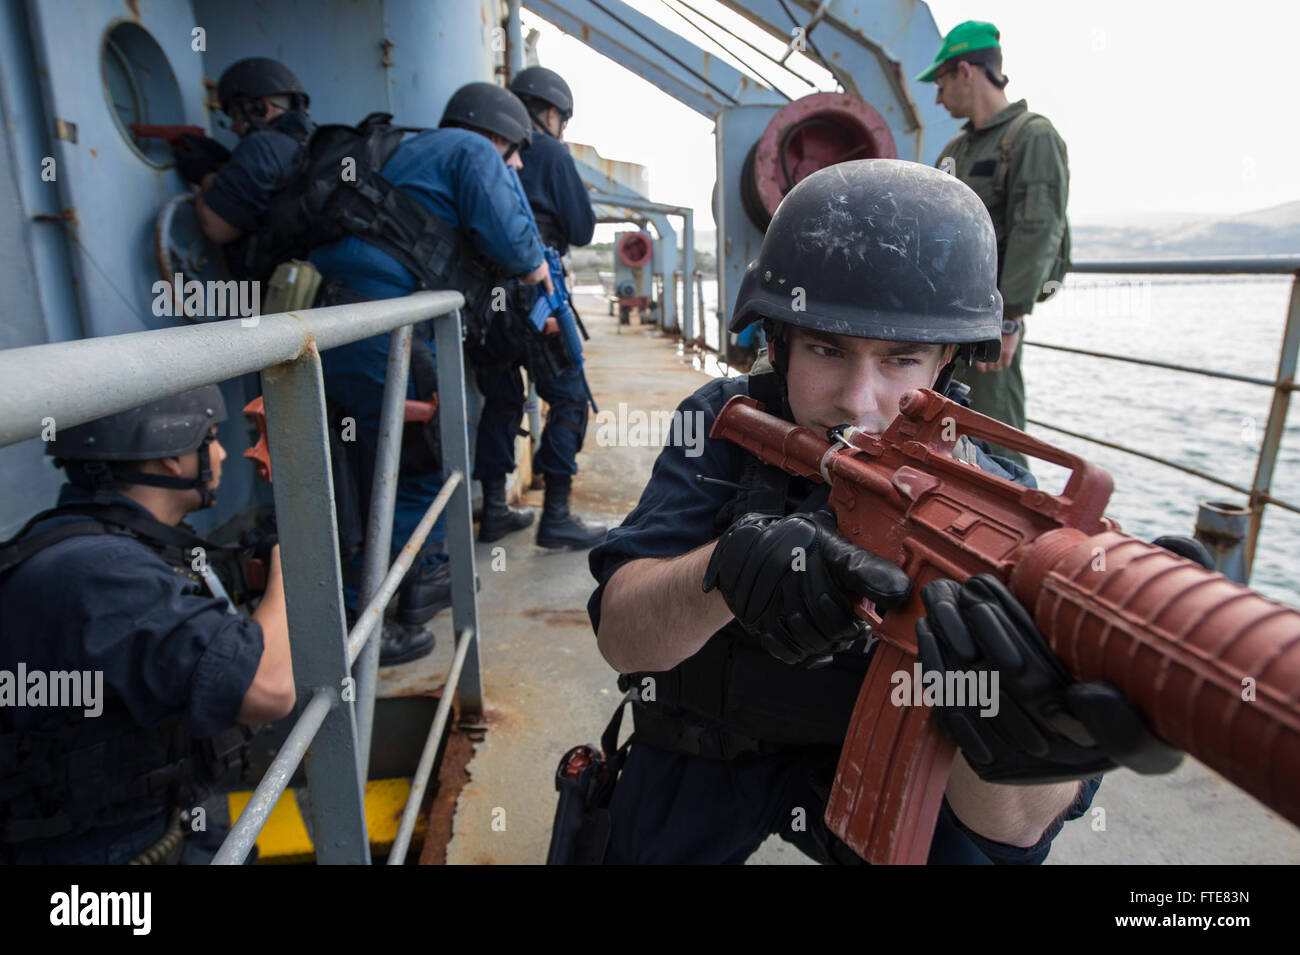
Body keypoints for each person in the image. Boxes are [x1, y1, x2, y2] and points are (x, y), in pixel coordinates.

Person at [583, 160, 1194, 865]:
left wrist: (1035, 735)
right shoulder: (730, 424)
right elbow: (623, 637)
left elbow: (1015, 832)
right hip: (715, 740)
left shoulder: (1000, 501)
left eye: (901, 359)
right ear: (776, 343)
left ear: (947, 365)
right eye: (825, 348)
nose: (858, 397)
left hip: (880, 773)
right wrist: (723, 571)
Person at [309, 81, 550, 665]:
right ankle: (364, 622)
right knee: (418, 463)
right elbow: (516, 245)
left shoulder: (403, 151)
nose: (514, 163)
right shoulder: (470, 152)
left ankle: (418, 581)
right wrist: (541, 270)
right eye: (514, 150)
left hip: (336, 318)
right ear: (495, 132)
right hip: (390, 331)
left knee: (353, 475)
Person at [0, 386, 293, 864]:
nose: (221, 454)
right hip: (99, 853)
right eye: (212, 437)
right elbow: (267, 690)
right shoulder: (104, 571)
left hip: (144, 825)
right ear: (173, 460)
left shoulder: (84, 540)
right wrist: (291, 570)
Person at [919, 20, 1070, 468]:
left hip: (987, 321)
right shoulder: (956, 149)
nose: (938, 96)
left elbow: (1039, 227)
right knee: (938, 421)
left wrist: (1008, 319)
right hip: (942, 317)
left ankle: (1018, 521)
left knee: (994, 431)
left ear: (966, 71)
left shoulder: (1032, 137)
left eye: (942, 81)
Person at [472, 66, 603, 549]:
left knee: (501, 400)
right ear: (550, 112)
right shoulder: (547, 149)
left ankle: (495, 511)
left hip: (484, 302)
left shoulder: (480, 148)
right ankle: (557, 517)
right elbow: (583, 228)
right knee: (568, 398)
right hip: (535, 294)